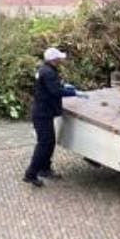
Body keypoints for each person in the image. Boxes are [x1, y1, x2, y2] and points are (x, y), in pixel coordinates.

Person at [23, 47, 79, 187]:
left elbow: (51, 87)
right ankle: (30, 174)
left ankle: (45, 168)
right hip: (42, 113)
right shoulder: (48, 72)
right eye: (59, 58)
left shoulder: (44, 69)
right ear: (54, 60)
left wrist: (64, 86)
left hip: (43, 111)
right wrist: (73, 93)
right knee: (44, 143)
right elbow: (55, 91)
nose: (61, 60)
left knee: (49, 142)